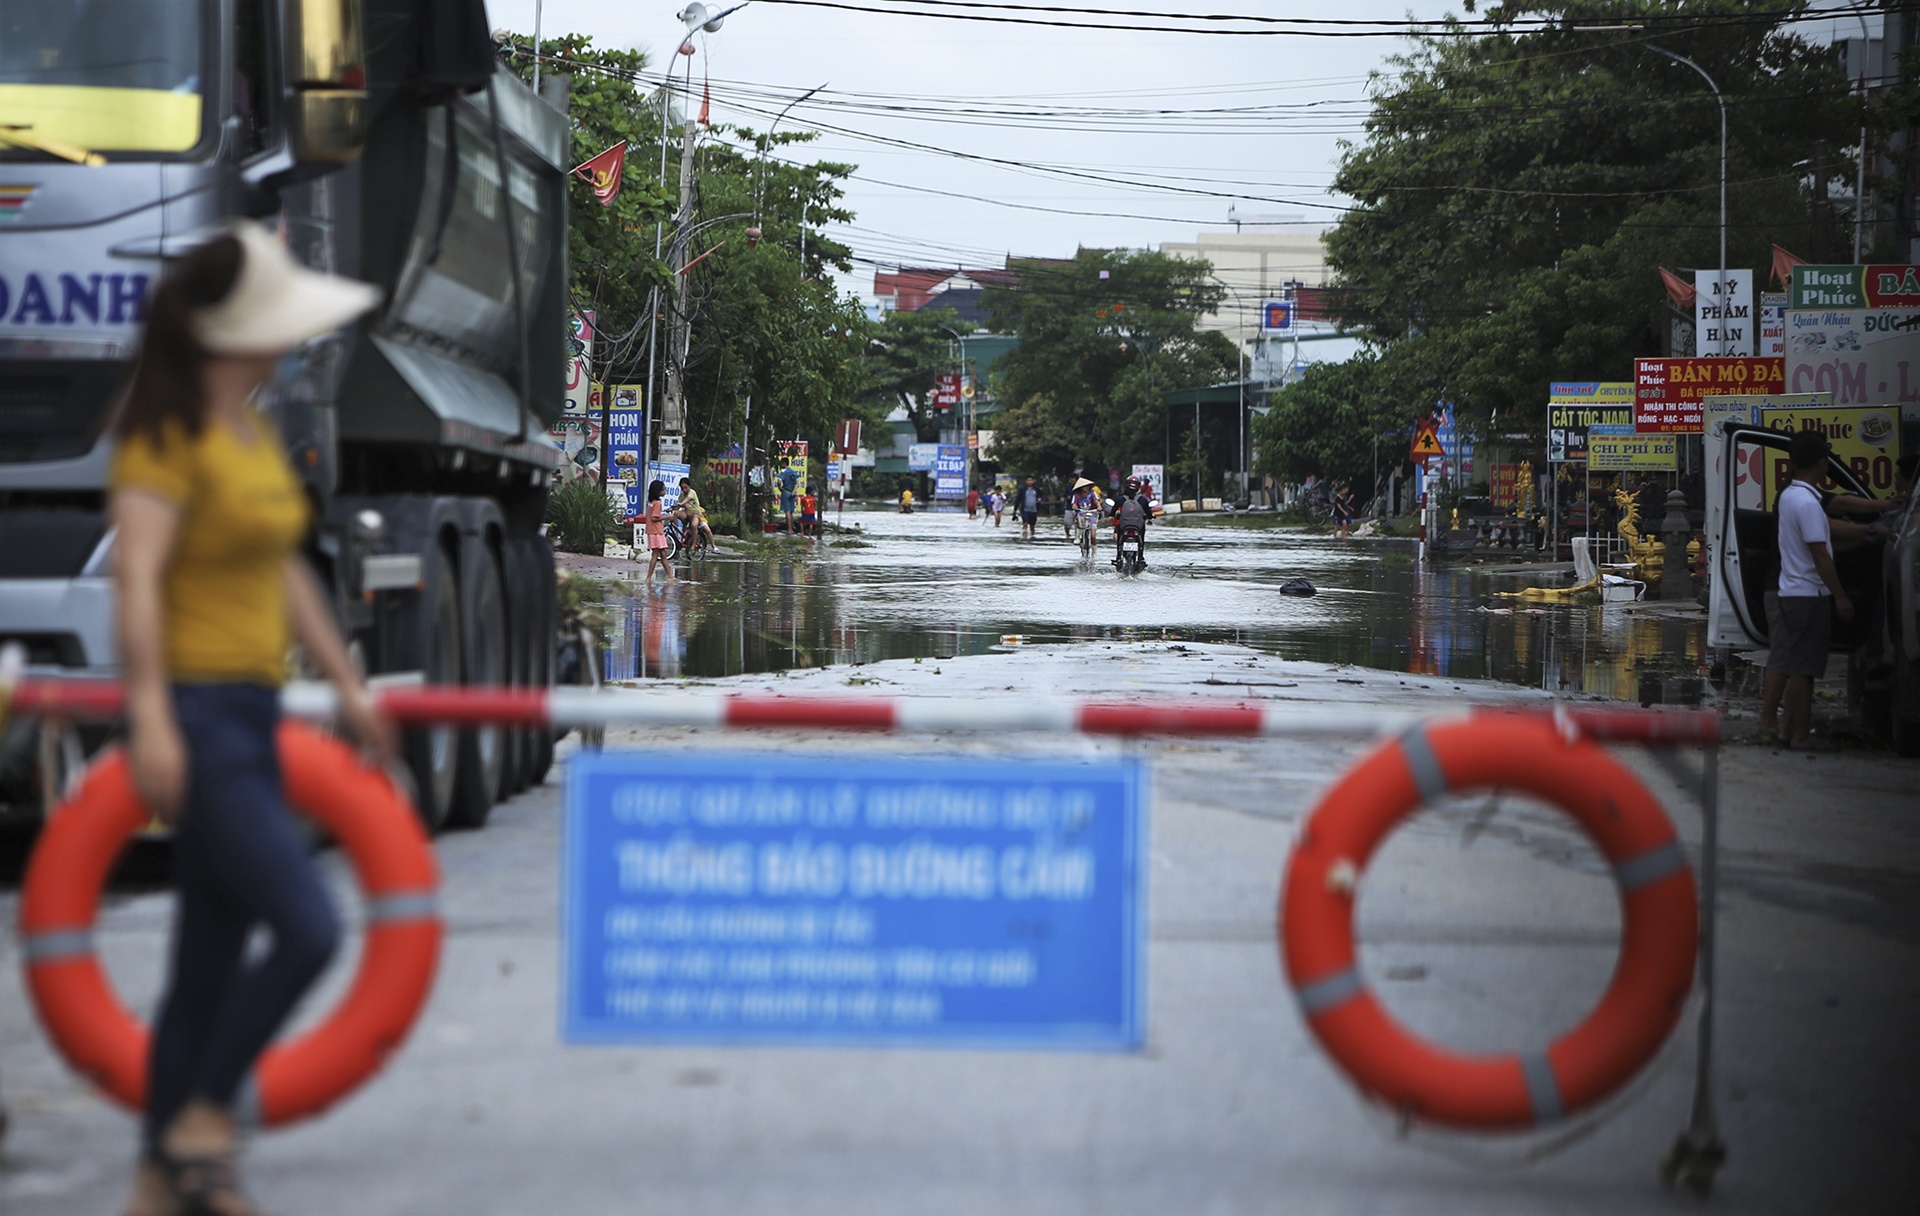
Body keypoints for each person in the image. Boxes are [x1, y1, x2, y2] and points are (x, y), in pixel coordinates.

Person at [107, 223, 395, 1216]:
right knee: (309, 927)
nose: (287, 343)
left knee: (203, 966)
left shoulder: (252, 433)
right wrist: (149, 715)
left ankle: (157, 1179)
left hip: (254, 708)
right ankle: (202, 1121)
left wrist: (346, 684)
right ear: (229, 336)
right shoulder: (165, 437)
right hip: (196, 715)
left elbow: (284, 570)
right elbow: (136, 581)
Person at [1757, 430, 1851, 750]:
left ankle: (1787, 731)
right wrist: (1839, 595)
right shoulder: (1808, 502)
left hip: (1792, 591)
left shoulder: (1789, 496)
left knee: (1799, 666)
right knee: (1802, 671)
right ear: (1823, 463)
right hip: (1806, 594)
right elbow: (1820, 554)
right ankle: (1799, 735)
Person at [1111, 476, 1149, 569]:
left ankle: (1118, 556)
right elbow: (1149, 512)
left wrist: (1113, 514)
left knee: (1119, 537)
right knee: (1142, 537)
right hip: (1138, 526)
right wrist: (1150, 516)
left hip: (1123, 526)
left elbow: (1112, 511)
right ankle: (1140, 557)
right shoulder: (1142, 500)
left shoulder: (1120, 499)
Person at [644, 479, 674, 583]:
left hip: (652, 531)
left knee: (662, 554)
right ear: (658, 492)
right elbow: (654, 518)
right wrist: (667, 517)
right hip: (657, 531)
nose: (665, 491)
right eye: (663, 490)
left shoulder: (651, 503)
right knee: (657, 554)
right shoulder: (657, 503)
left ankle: (670, 577)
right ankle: (649, 577)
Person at [674, 476, 714, 552]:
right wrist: (673, 509)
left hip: (695, 514)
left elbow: (686, 500)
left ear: (689, 486)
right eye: (682, 488)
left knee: (694, 525)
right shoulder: (682, 495)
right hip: (687, 513)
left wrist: (681, 503)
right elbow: (678, 506)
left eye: (686, 488)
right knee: (675, 513)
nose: (684, 490)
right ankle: (677, 534)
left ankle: (694, 543)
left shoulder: (692, 492)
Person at [777, 463, 801, 532]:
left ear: (784, 463)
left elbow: (779, 481)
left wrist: (780, 488)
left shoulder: (784, 472)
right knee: (791, 512)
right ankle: (792, 528)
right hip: (792, 493)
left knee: (787, 511)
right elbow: (797, 483)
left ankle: (789, 529)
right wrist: (794, 491)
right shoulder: (793, 472)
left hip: (785, 492)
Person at [1017, 476, 1043, 540]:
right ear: (1026, 481)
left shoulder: (1036, 489)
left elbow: (1042, 496)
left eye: (1031, 480)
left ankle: (1032, 536)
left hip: (1034, 510)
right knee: (1025, 523)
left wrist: (1040, 499)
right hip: (1025, 509)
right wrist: (1015, 509)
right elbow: (1018, 499)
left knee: (1032, 526)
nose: (1029, 482)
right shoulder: (1022, 489)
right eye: (1028, 480)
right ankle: (1024, 536)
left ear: (1033, 481)